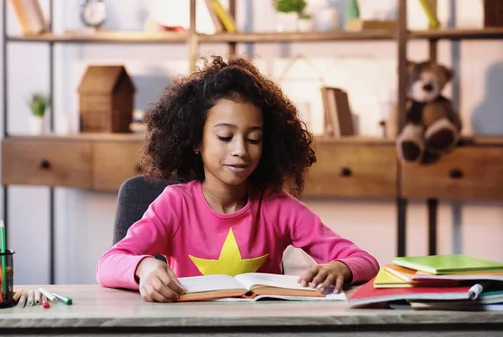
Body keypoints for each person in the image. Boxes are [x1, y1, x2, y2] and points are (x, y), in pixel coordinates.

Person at [96, 55, 379, 302]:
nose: (240, 151)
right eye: (225, 136)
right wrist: (144, 268)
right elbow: (108, 264)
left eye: (254, 138)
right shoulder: (175, 204)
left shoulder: (277, 206)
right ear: (196, 140)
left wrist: (340, 267)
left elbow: (366, 261)